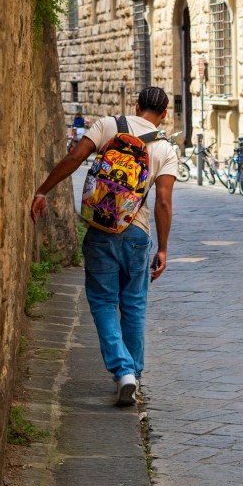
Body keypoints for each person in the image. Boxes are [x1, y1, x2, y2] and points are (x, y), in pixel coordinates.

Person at [30, 86, 178, 405]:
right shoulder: (165, 148)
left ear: (136, 106)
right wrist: (162, 248)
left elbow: (74, 157)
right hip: (137, 234)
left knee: (101, 300)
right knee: (134, 303)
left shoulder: (109, 125)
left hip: (100, 229)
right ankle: (133, 376)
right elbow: (163, 202)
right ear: (164, 114)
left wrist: (43, 191)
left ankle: (122, 371)